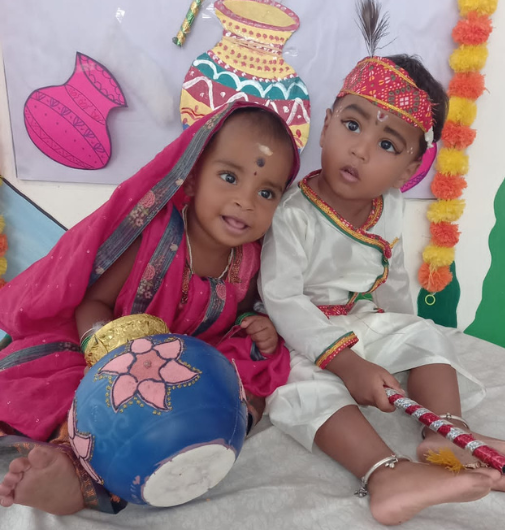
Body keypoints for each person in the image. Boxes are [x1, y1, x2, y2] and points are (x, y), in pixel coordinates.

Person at [259, 54, 505, 526]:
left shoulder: (389, 204)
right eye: (352, 125)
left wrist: (400, 340)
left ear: (408, 170)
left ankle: (449, 434)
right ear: (326, 125)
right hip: (299, 335)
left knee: (425, 334)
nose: (360, 150)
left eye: (386, 144)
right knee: (299, 390)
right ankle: (386, 473)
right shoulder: (293, 213)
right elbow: (283, 299)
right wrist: (349, 365)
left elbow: (392, 280)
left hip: (359, 323)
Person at [0, 101, 299, 515]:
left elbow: (238, 315)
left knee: (255, 367)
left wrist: (254, 323)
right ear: (191, 178)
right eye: (229, 177)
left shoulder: (248, 260)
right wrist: (112, 361)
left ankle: (199, 441)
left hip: (181, 364)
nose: (245, 201)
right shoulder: (152, 234)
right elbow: (94, 302)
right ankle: (68, 466)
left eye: (266, 193)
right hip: (106, 356)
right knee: (66, 394)